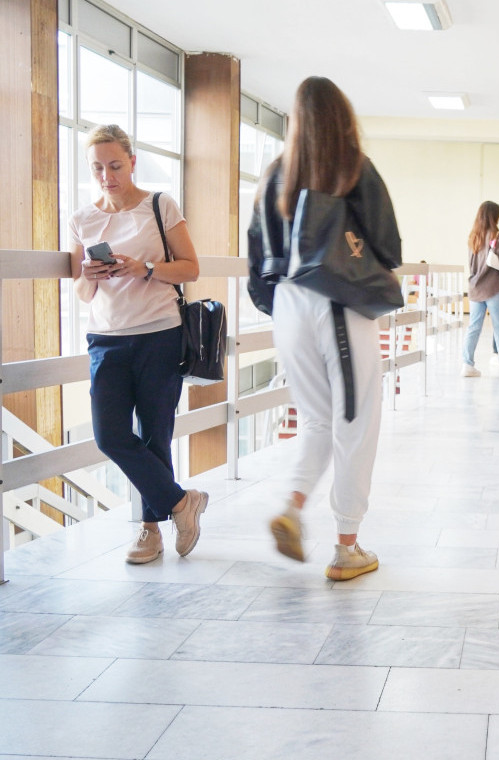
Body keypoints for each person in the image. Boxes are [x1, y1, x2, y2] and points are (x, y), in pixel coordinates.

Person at [247, 76, 401, 581]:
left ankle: (291, 508)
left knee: (315, 420)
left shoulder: (275, 174)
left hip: (287, 305)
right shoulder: (353, 167)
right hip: (338, 302)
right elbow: (389, 245)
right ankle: (346, 545)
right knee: (357, 423)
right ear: (342, 116)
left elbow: (258, 259)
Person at [69, 124, 209, 565]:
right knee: (110, 435)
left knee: (154, 436)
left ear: (132, 162)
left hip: (159, 335)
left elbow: (189, 269)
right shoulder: (82, 219)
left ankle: (150, 531)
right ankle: (182, 503)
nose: (106, 176)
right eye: (97, 168)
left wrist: (144, 267)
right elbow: (80, 290)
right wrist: (88, 278)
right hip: (106, 339)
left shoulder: (159, 205)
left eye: (114, 165)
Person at [462, 201, 499, 377]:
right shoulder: (497, 235)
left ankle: (467, 364)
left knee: (473, 327)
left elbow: (471, 265)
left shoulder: (473, 236)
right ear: (494, 215)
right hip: (493, 288)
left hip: (475, 288)